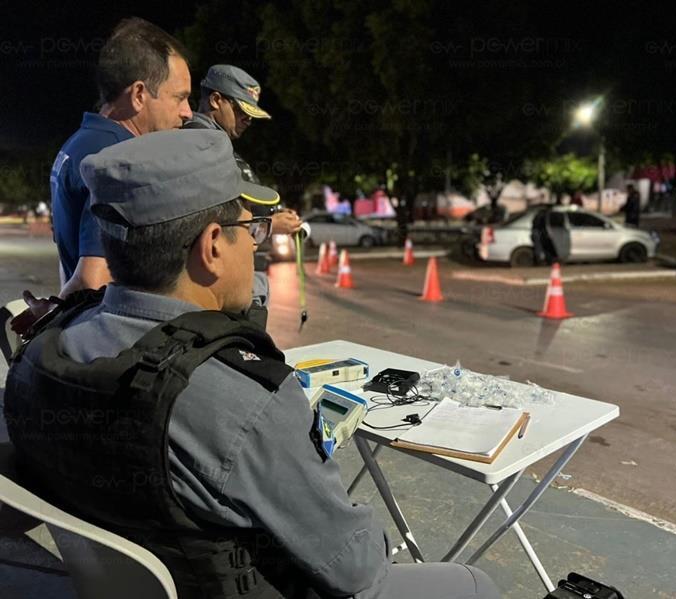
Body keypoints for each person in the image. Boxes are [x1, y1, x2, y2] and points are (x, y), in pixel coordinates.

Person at [4, 129, 501, 599]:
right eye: (252, 229)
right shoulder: (247, 403)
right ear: (214, 245)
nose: (257, 248)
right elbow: (357, 572)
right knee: (474, 582)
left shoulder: (45, 344)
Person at [12, 18, 192, 333]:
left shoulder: (80, 142)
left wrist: (53, 309)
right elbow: (93, 280)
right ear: (139, 94)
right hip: (108, 342)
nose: (188, 112)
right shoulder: (119, 160)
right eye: (180, 97)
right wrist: (50, 323)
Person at [184, 64, 302, 314]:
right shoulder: (204, 145)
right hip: (209, 283)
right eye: (241, 110)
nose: (248, 120)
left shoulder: (211, 141)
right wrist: (269, 225)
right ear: (216, 100)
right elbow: (211, 221)